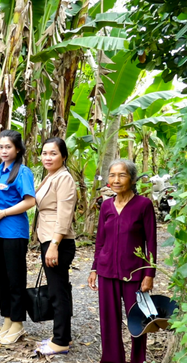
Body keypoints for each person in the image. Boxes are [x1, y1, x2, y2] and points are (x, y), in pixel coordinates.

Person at [88, 159, 156, 363]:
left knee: (138, 320)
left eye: (122, 175)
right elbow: (100, 240)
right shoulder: (106, 206)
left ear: (132, 178)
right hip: (107, 271)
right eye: (112, 175)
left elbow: (151, 243)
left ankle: (138, 359)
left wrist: (149, 275)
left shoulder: (144, 205)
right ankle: (112, 359)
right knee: (109, 320)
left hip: (134, 272)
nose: (116, 180)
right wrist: (94, 268)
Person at [0, 130, 36, 345]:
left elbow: (29, 201)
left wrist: (5, 213)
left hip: (14, 233)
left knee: (15, 279)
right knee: (1, 279)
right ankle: (7, 320)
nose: (4, 151)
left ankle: (17, 324)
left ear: (17, 149)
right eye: (1, 147)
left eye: (8, 147)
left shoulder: (22, 172)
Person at [33, 138, 77, 356]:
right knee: (58, 289)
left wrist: (54, 245)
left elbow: (64, 215)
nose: (47, 157)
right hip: (48, 238)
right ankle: (63, 336)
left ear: (63, 156)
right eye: (44, 153)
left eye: (53, 153)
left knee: (57, 291)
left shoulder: (64, 178)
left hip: (57, 240)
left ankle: (60, 341)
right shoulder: (51, 176)